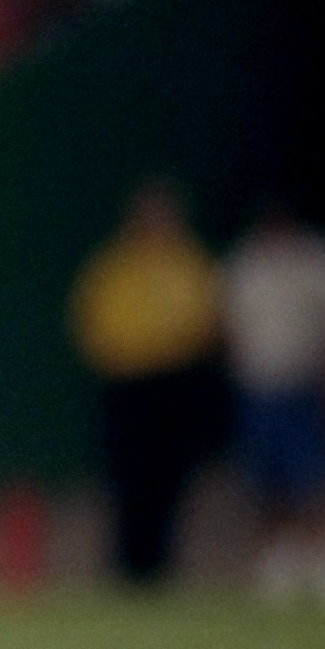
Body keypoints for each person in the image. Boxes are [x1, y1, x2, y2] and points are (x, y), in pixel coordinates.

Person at [67, 182, 220, 588]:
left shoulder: (189, 263)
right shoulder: (113, 266)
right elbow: (92, 324)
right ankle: (127, 565)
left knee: (170, 477)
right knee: (127, 478)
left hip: (175, 384)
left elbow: (206, 319)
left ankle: (161, 565)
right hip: (128, 386)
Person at [220, 203, 325, 608]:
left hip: (305, 384)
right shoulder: (246, 262)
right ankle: (279, 563)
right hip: (258, 388)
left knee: (315, 476)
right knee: (265, 480)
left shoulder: (321, 260)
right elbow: (228, 322)